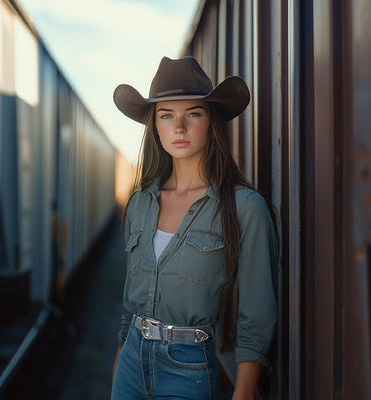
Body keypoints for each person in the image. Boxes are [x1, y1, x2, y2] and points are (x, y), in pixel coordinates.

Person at [111, 56, 278, 400]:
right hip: (130, 366)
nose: (180, 127)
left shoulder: (245, 208)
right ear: (154, 126)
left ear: (211, 121)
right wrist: (118, 375)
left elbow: (256, 319)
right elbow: (130, 311)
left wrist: (243, 394)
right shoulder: (140, 203)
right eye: (166, 115)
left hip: (187, 370)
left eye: (193, 114)